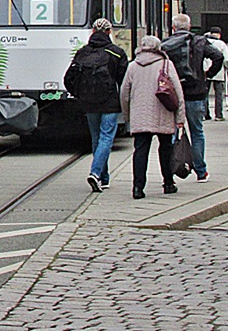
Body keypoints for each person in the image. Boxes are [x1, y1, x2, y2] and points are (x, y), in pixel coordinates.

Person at [64, 17, 128, 192]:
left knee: (96, 138)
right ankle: (96, 173)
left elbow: (69, 78)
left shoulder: (83, 52)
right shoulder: (117, 53)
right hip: (110, 102)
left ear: (93, 31)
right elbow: (124, 81)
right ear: (109, 32)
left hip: (89, 103)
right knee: (107, 137)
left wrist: (79, 95)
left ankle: (103, 178)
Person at [162, 13, 226, 182]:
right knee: (197, 132)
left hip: (173, 96)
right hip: (196, 93)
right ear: (189, 27)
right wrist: (207, 74)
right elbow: (218, 56)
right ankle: (200, 170)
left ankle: (172, 172)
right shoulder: (199, 41)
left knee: (172, 133)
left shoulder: (166, 44)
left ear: (173, 28)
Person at [120, 35, 186, 198]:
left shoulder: (133, 66)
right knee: (166, 149)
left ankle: (138, 188)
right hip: (163, 113)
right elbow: (178, 93)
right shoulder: (166, 64)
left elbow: (124, 93)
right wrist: (180, 119)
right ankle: (168, 183)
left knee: (140, 150)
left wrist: (128, 116)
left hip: (140, 114)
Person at [206, 29, 228, 121]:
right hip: (219, 73)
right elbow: (226, 59)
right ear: (219, 35)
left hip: (206, 71)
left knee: (205, 94)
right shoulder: (222, 44)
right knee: (219, 94)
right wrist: (226, 67)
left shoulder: (205, 43)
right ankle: (218, 115)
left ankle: (205, 114)